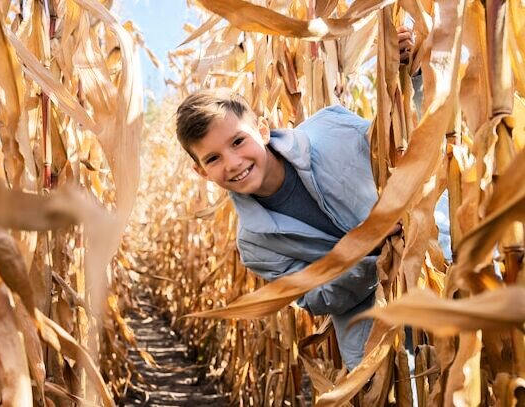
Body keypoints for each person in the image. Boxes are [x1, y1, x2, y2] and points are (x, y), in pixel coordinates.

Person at [174, 27, 439, 371]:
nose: (233, 163)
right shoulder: (255, 244)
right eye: (213, 159)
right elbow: (317, 298)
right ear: (202, 173)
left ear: (263, 129)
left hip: (441, 274)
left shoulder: (330, 128)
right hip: (378, 340)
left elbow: (407, 138)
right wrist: (369, 253)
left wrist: (409, 72)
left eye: (238, 142)